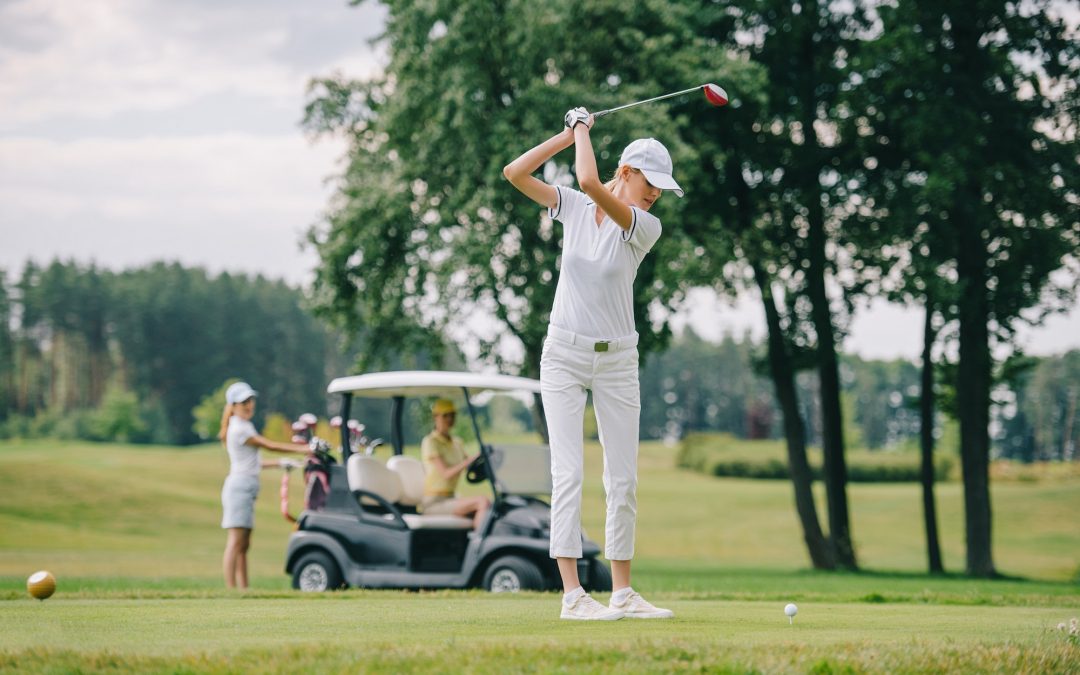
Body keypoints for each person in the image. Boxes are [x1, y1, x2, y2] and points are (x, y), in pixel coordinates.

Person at [503, 107, 679, 620]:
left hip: (619, 360)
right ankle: (573, 596)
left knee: (622, 479)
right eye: (651, 182)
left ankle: (622, 593)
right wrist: (566, 134)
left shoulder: (645, 225)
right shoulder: (575, 208)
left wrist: (582, 129)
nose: (656, 193)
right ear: (625, 171)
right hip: (563, 354)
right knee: (569, 473)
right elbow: (515, 174)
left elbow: (586, 175)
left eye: (662, 187)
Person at [219, 381, 311, 589]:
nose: (249, 405)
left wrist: (282, 464)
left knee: (244, 544)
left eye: (250, 400)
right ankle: (231, 588)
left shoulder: (244, 425)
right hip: (239, 488)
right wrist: (304, 449)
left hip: (247, 487)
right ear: (233, 405)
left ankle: (244, 588)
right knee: (235, 542)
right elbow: (270, 445)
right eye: (243, 402)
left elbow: (255, 462)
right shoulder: (239, 428)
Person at [419, 399, 490, 530]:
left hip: (451, 498)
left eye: (452, 415)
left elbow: (470, 465)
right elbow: (446, 474)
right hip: (434, 502)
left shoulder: (457, 443)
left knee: (492, 504)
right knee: (482, 501)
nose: (450, 419)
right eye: (445, 415)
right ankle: (478, 545)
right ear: (436, 417)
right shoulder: (430, 442)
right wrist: (469, 460)